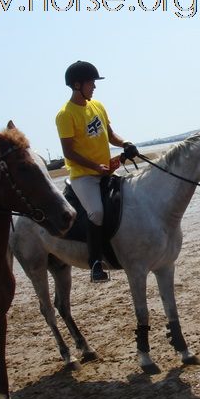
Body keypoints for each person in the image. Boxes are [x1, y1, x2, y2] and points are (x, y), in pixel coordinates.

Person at [56, 61, 138, 282]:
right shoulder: (65, 114)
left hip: (105, 171)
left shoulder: (98, 106)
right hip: (83, 176)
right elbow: (68, 151)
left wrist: (126, 144)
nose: (94, 86)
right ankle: (94, 263)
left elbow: (111, 135)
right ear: (77, 85)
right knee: (97, 213)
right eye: (91, 82)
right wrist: (94, 167)